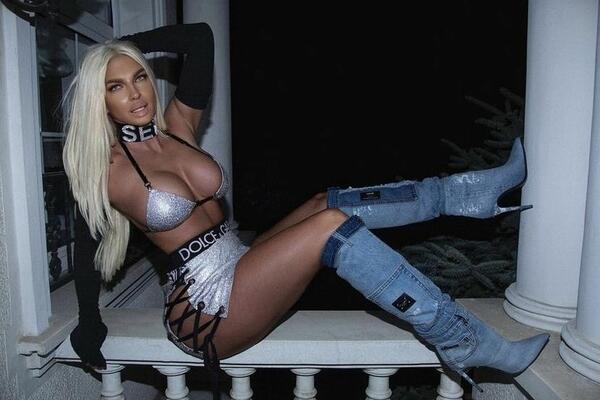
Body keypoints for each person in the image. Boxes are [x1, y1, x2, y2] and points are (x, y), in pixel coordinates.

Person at [64, 23, 549, 398]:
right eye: (115, 86)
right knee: (329, 227)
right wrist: (88, 320)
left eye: (139, 77)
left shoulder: (178, 126)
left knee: (325, 202)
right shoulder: (108, 169)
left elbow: (199, 37)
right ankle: (462, 339)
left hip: (240, 260)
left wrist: (121, 46)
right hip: (206, 309)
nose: (136, 93)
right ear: (98, 101)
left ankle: (467, 194)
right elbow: (84, 248)